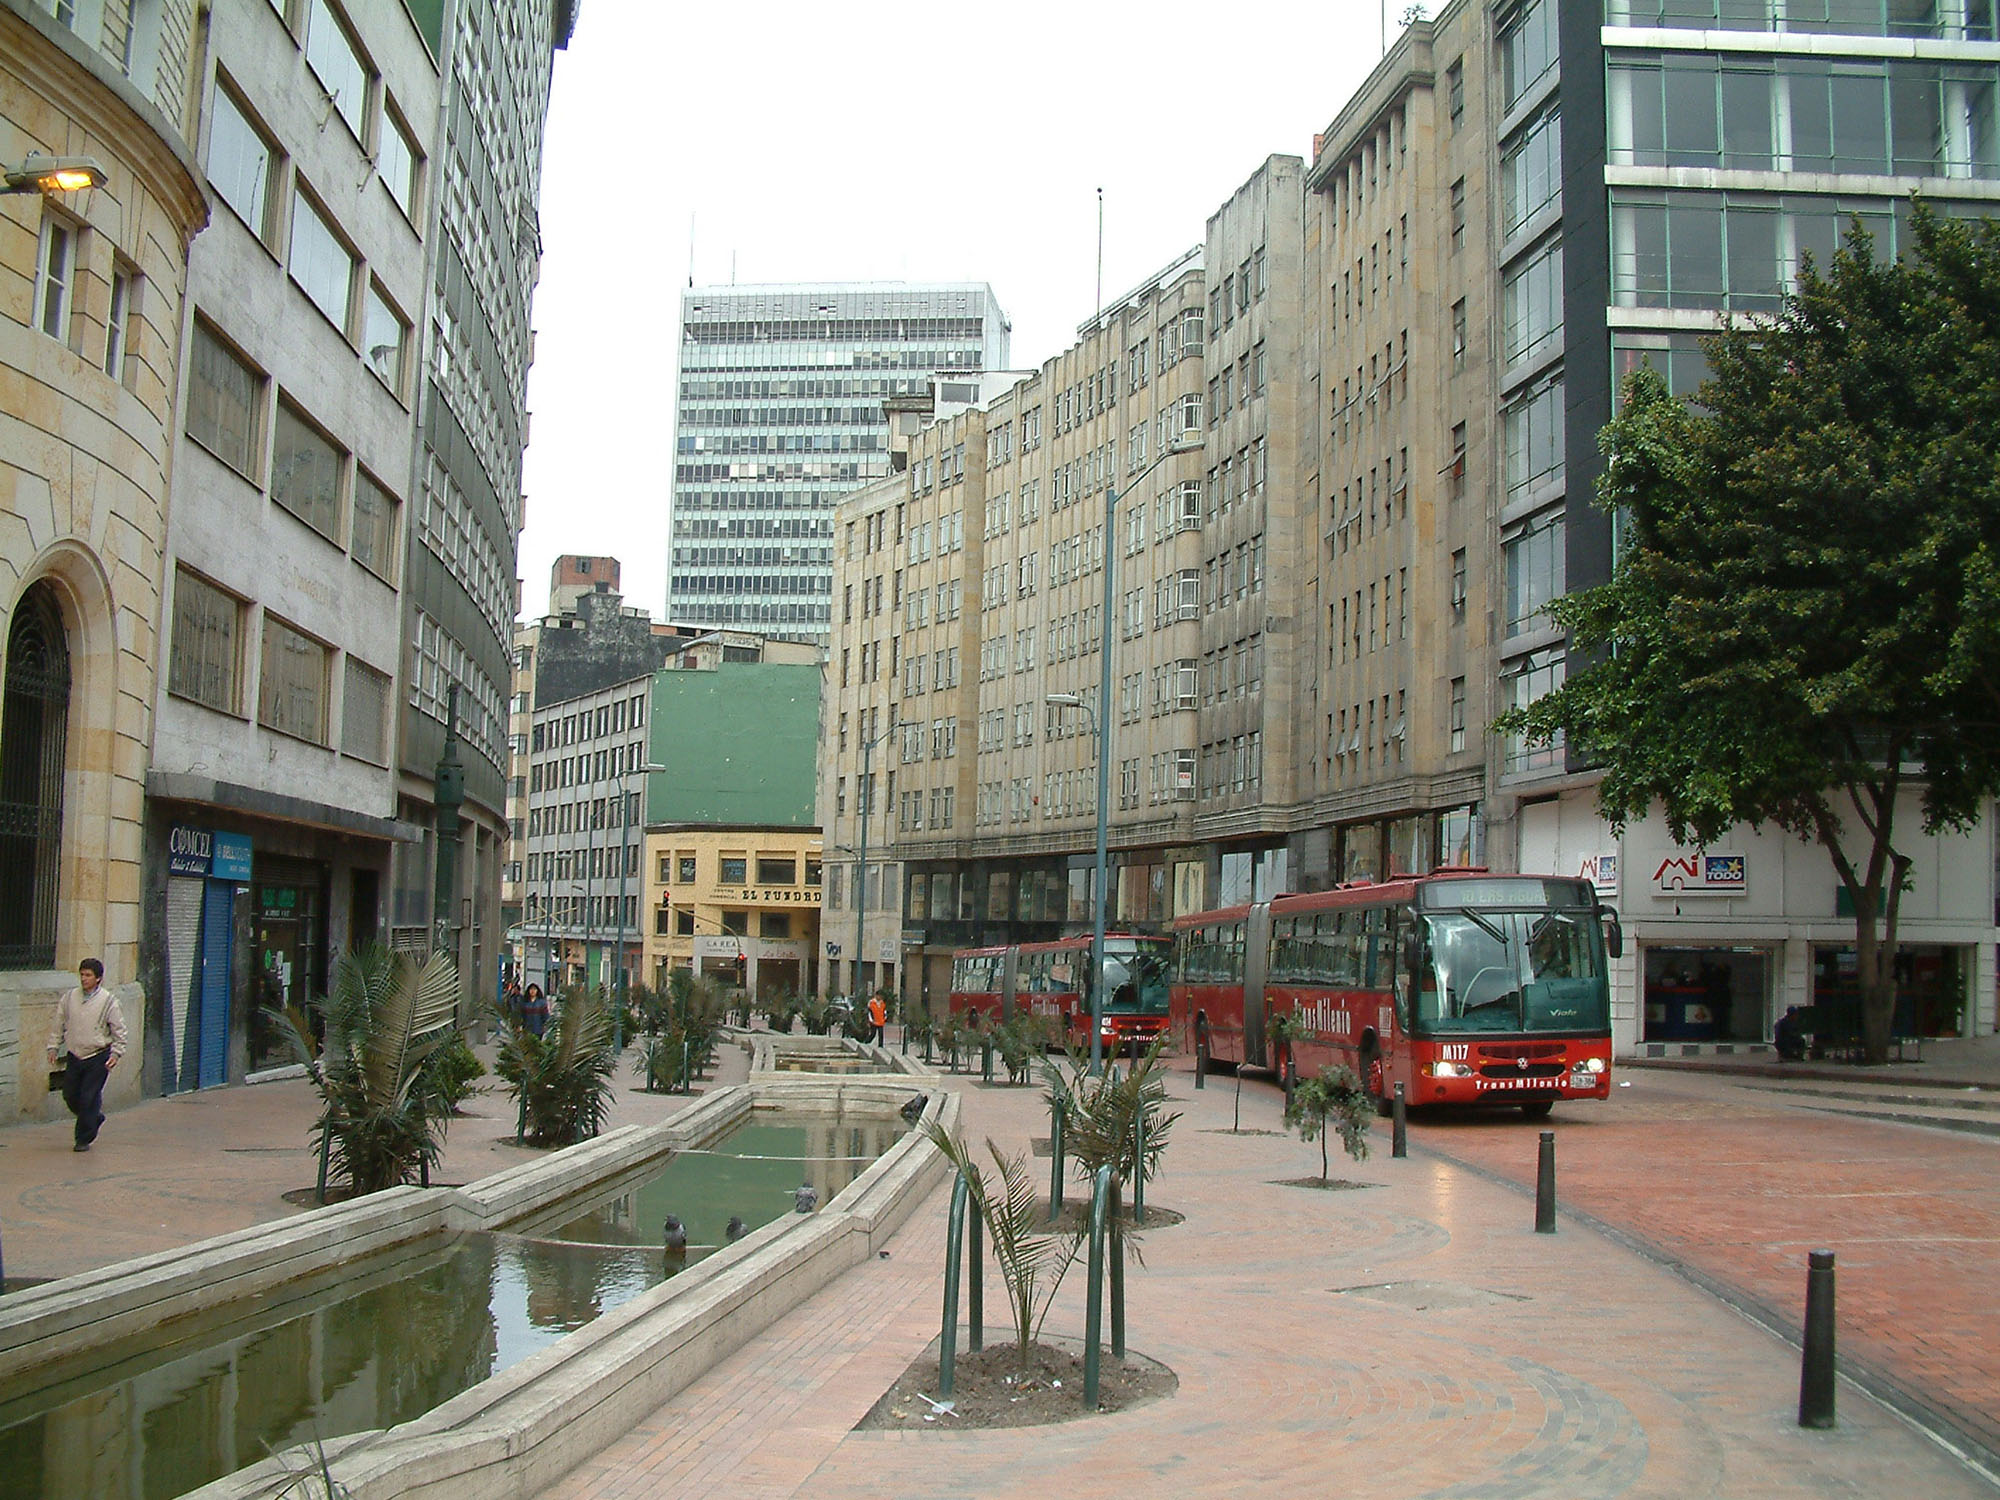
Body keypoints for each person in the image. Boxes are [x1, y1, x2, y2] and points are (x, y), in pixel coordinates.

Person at [47, 958, 127, 1152]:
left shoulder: (109, 1002)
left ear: (98, 978)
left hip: (98, 1055)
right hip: (76, 1054)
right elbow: (58, 1023)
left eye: (88, 975)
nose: (84, 979)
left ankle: (83, 1138)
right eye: (82, 974)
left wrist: (116, 1054)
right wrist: (53, 1047)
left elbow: (119, 1030)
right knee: (70, 1095)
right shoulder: (69, 998)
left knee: (88, 1096)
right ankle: (93, 1117)